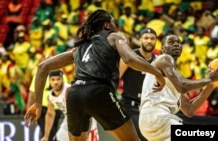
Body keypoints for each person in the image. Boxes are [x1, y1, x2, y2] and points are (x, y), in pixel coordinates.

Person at [24, 9, 165, 141]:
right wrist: (157, 73)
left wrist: (36, 103)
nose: (116, 25)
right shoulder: (115, 36)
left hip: (74, 94)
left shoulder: (80, 46)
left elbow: (43, 66)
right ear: (107, 25)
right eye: (113, 22)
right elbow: (129, 59)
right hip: (98, 91)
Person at [138, 34, 218, 141]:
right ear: (162, 49)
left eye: (178, 42)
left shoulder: (176, 76)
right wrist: (210, 79)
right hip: (157, 115)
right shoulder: (164, 59)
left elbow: (189, 109)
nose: (176, 44)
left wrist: (211, 85)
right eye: (171, 42)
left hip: (152, 122)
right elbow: (182, 86)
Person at [119, 27, 157, 141]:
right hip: (131, 106)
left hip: (150, 107)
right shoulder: (129, 57)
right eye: (146, 38)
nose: (149, 41)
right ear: (140, 40)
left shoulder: (158, 61)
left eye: (152, 38)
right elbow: (114, 78)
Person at [41, 70, 99, 141]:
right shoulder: (50, 96)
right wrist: (46, 136)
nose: (55, 82)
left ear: (62, 79)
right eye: (53, 80)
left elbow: (86, 109)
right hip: (69, 122)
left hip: (85, 122)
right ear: (49, 81)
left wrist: (87, 131)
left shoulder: (70, 90)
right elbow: (50, 114)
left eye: (58, 79)